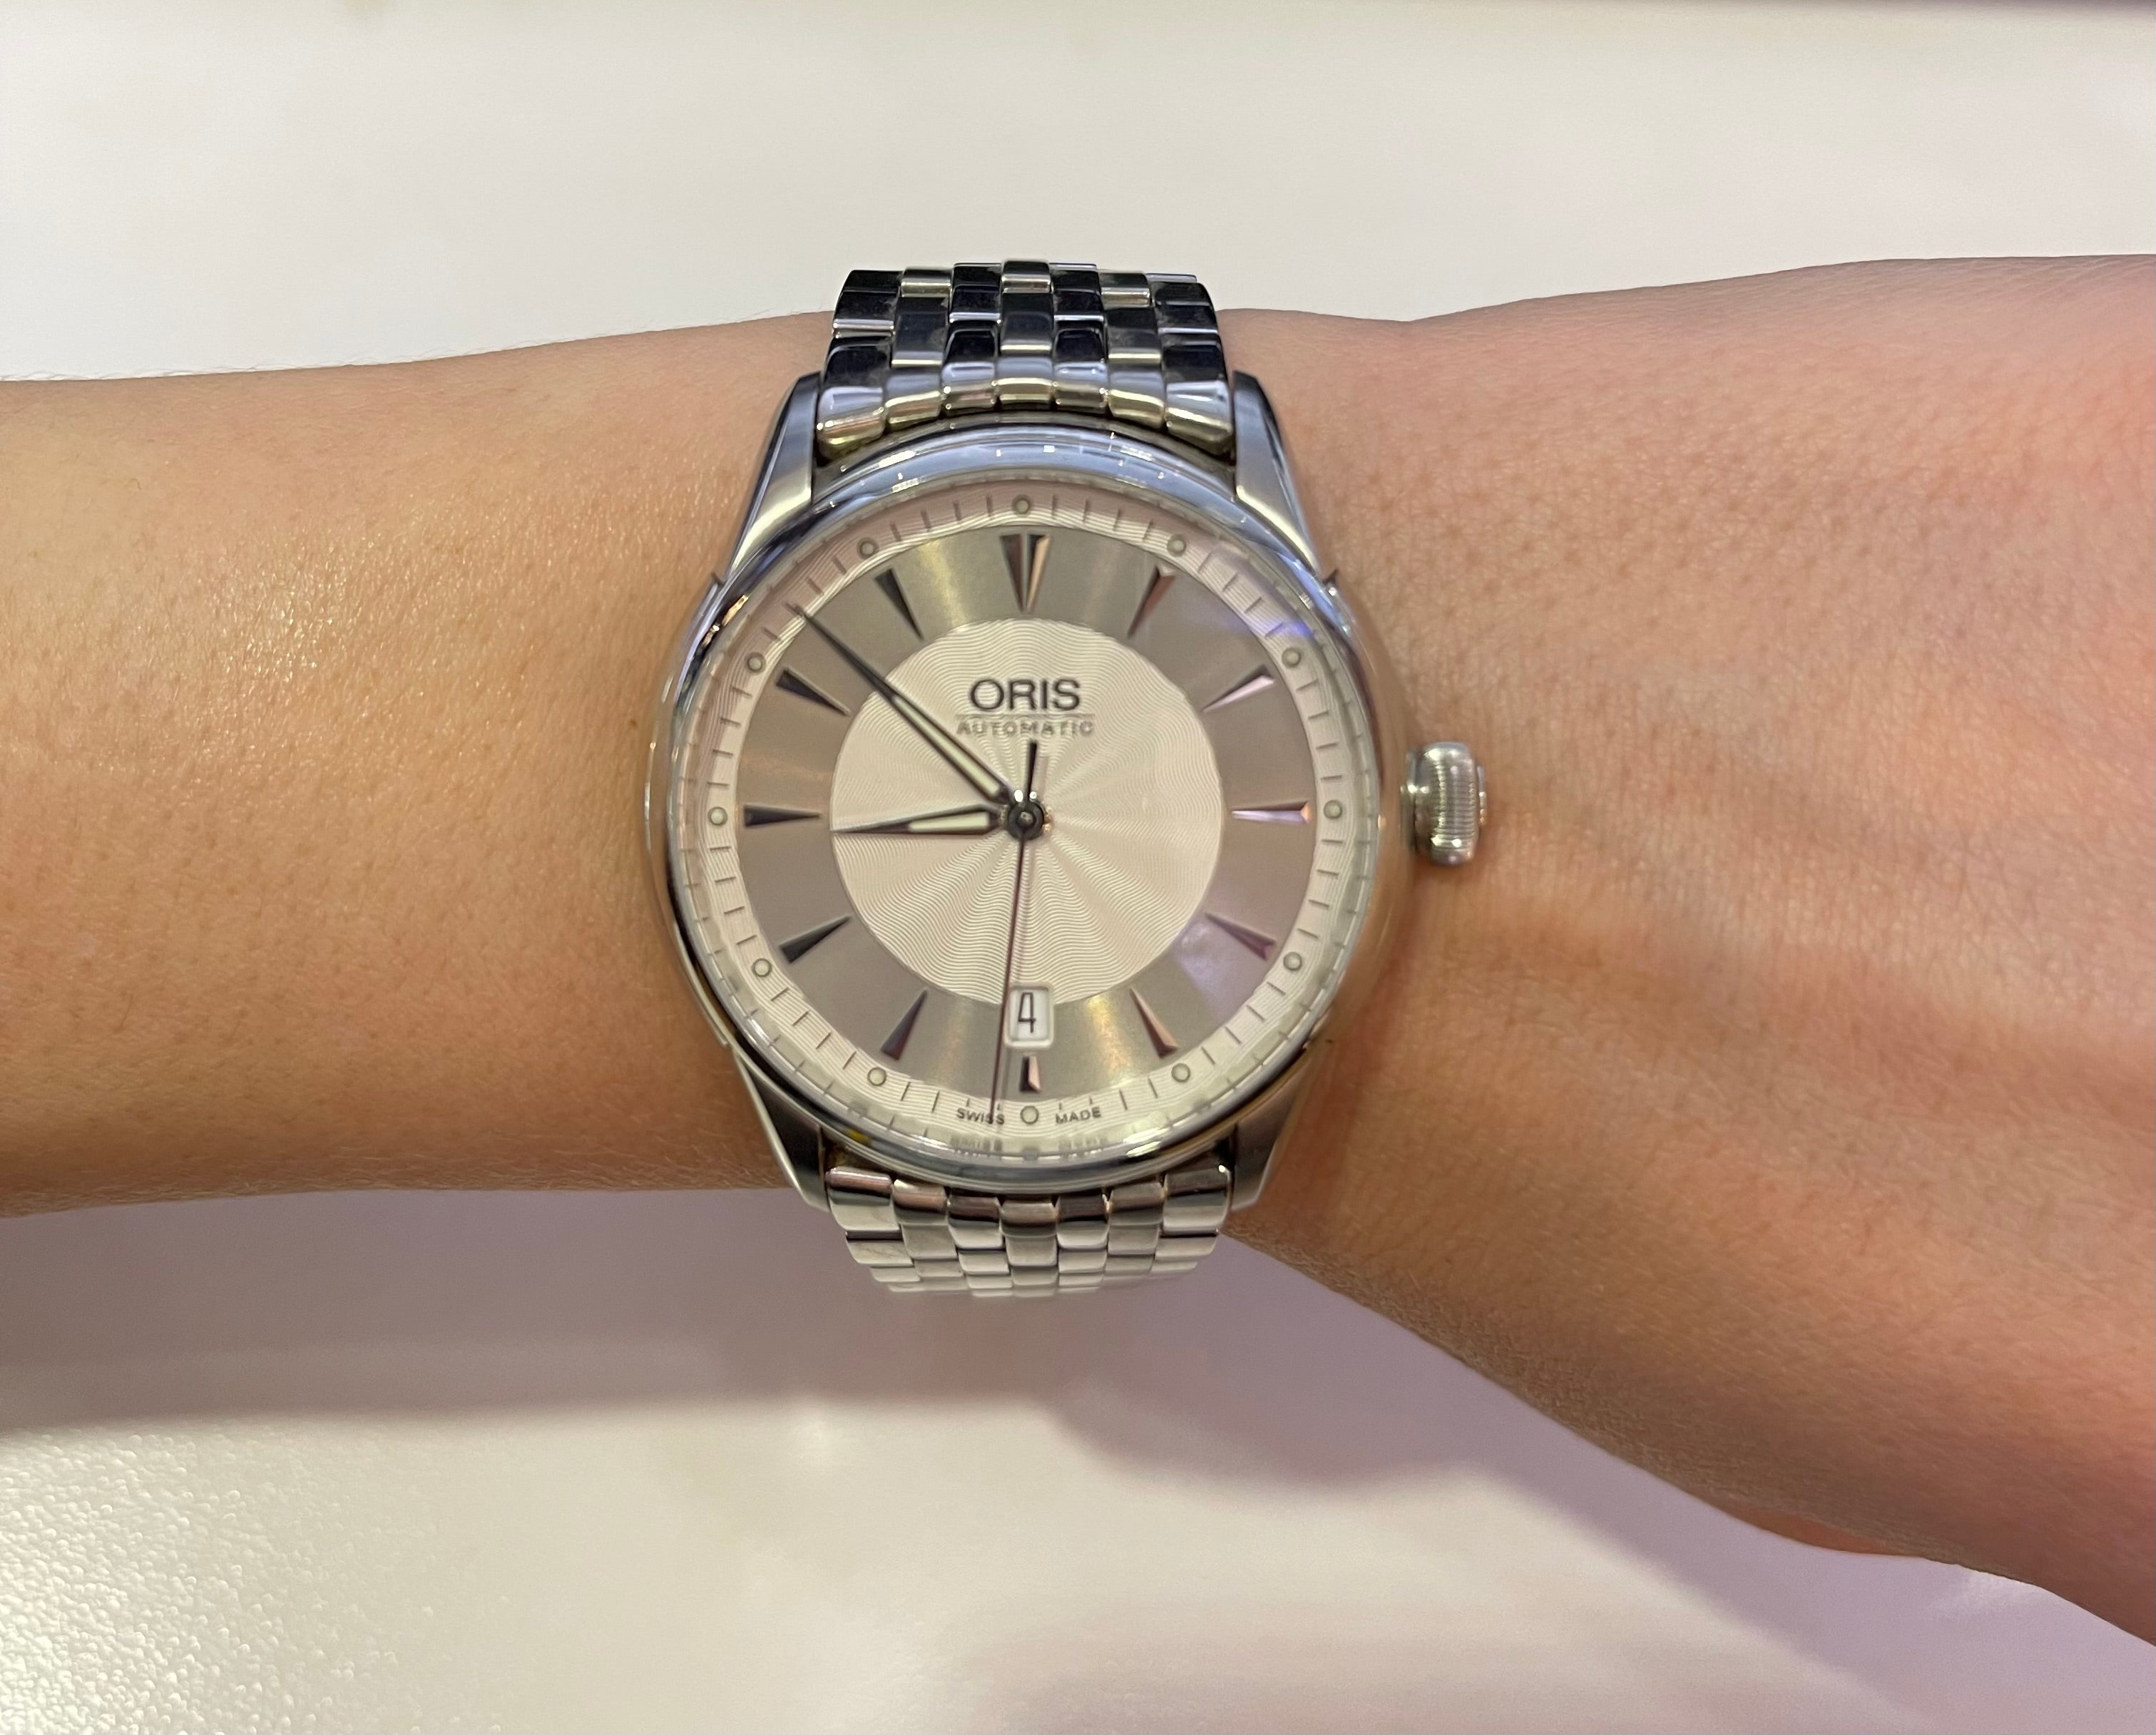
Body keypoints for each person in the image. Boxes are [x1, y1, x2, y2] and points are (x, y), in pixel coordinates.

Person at [1, 256, 2147, 1638]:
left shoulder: (1333, 821)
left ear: (1425, 805)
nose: (1023, 812)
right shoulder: (763, 770)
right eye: (1000, 800)